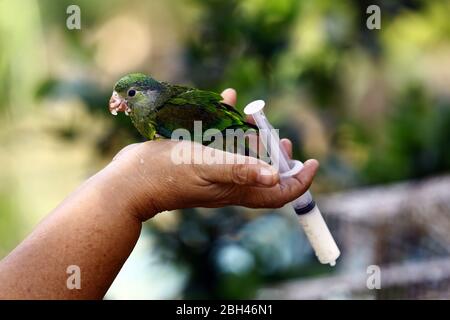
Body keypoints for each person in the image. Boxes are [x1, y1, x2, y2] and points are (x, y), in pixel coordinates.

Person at [0, 89, 319, 299]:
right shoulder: (149, 116)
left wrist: (135, 178)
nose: (121, 100)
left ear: (148, 94)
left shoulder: (165, 112)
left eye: (131, 93)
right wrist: (136, 179)